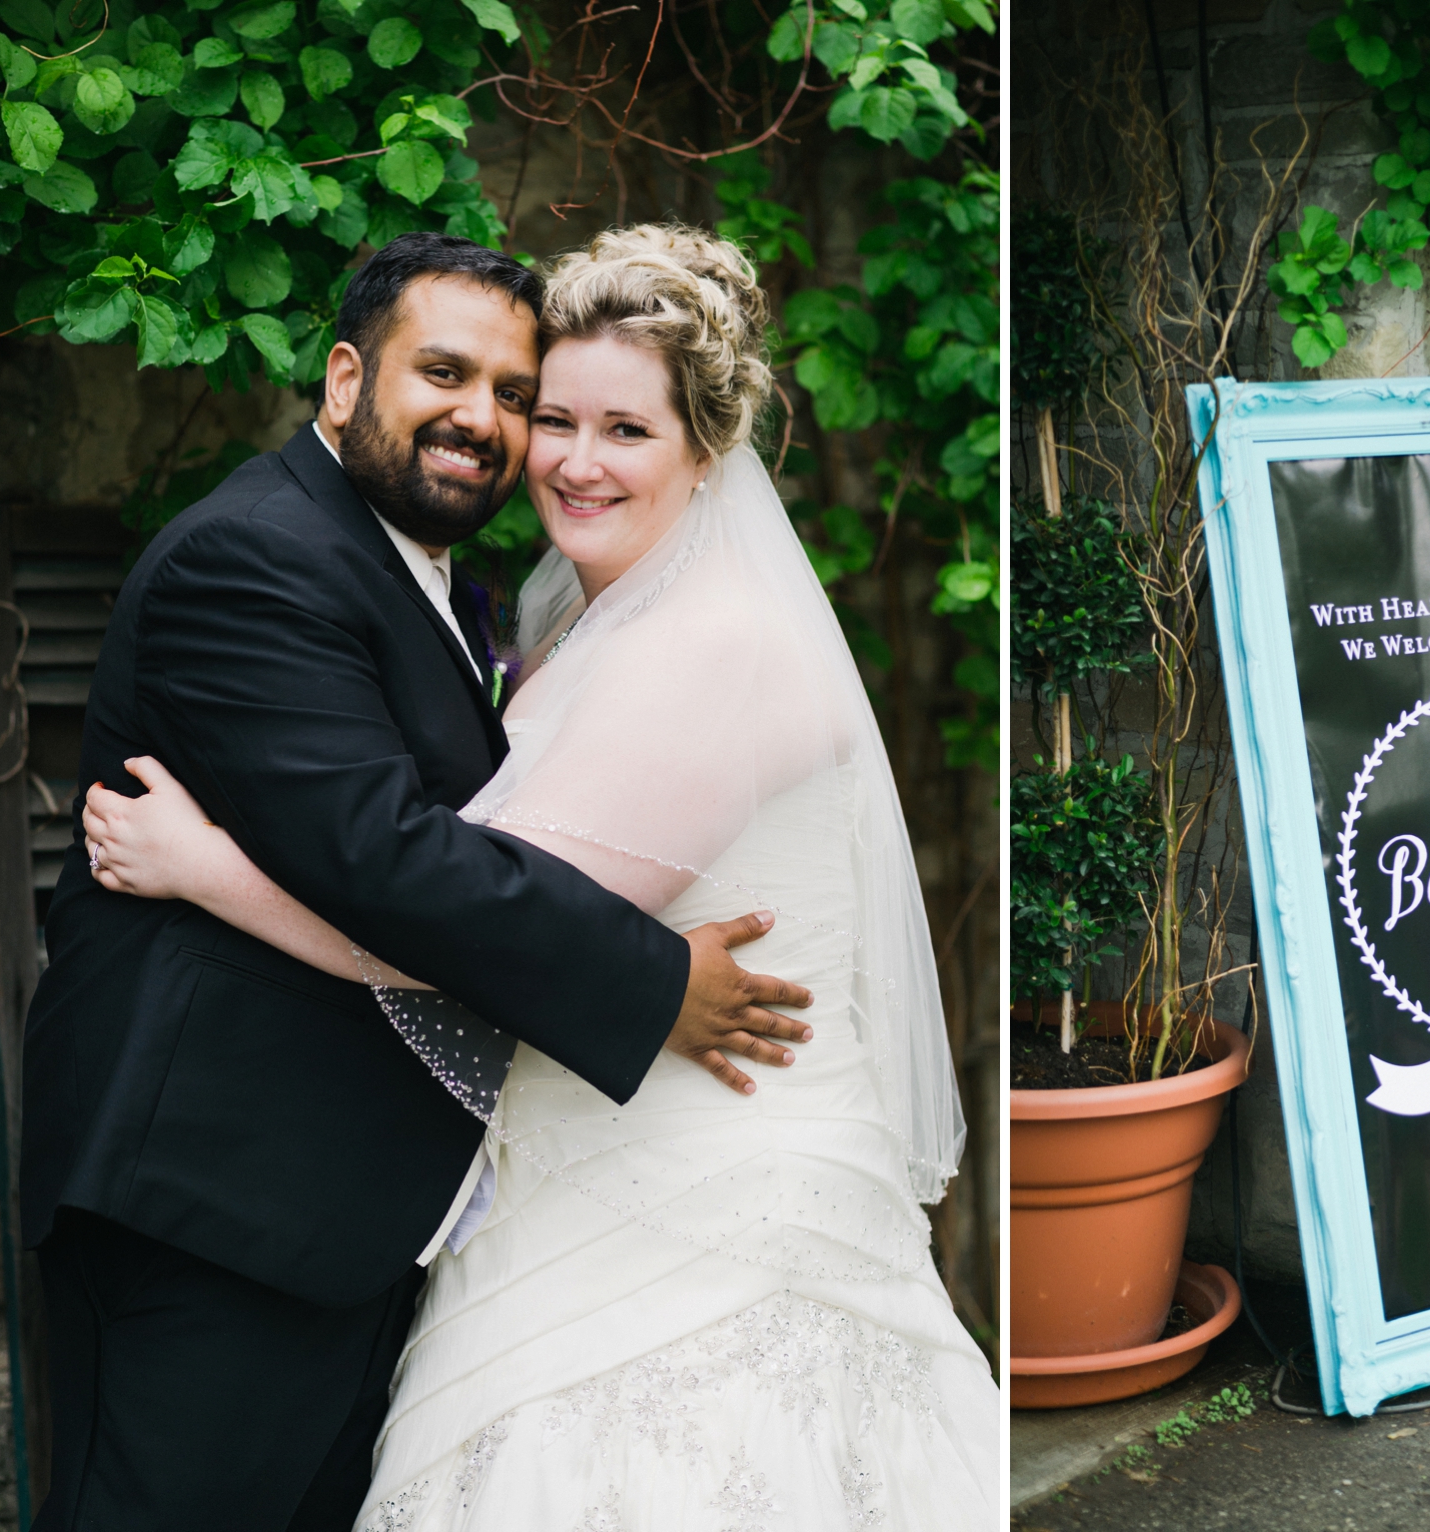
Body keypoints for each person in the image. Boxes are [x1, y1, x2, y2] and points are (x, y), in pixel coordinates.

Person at [82, 224, 998, 1529]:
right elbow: (465, 889)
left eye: (623, 430)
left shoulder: (715, 643)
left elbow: (463, 924)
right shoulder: (568, 613)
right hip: (573, 1181)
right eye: (550, 416)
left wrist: (208, 867)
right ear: (345, 381)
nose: (567, 457)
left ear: (706, 448)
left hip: (705, 1201)